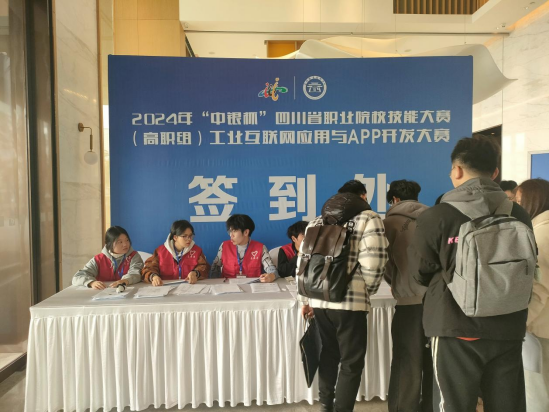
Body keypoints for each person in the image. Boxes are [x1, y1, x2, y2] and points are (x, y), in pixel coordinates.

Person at [412, 136, 533, 412]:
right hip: (509, 326)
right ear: (495, 172)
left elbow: (420, 271)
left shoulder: (437, 216)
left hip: (455, 325)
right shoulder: (519, 214)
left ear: (457, 170)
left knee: (453, 405)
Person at [298, 183, 389, 412]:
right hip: (350, 302)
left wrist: (305, 300)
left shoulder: (317, 221)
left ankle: (325, 406)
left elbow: (303, 263)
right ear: (363, 196)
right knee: (351, 361)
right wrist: (367, 290)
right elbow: (374, 260)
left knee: (328, 353)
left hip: (319, 300)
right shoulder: (369, 218)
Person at [383, 180, 432, 412]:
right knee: (433, 359)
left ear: (393, 199)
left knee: (407, 359)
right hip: (437, 300)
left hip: (409, 300)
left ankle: (403, 408)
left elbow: (385, 262)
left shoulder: (388, 223)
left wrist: (395, 281)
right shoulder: (434, 217)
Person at [515, 179, 549, 412]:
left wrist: (522, 322)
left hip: (541, 328)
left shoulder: (540, 235)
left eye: (519, 201)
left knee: (538, 394)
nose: (516, 206)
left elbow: (539, 287)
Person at [210, 214, 278, 282]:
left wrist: (272, 276)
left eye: (234, 231)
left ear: (246, 232)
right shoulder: (224, 246)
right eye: (230, 231)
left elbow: (271, 269)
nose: (231, 235)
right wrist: (215, 283)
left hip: (253, 285)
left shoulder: (260, 248)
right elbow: (215, 268)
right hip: (228, 286)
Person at [141, 220, 210, 286]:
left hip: (189, 287)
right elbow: (148, 269)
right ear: (175, 237)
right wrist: (154, 277)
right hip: (165, 288)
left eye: (190, 236)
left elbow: (205, 268)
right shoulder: (160, 251)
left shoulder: (197, 251)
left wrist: (195, 273)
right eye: (184, 236)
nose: (189, 239)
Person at [72, 226, 143, 289]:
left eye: (127, 240)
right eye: (120, 242)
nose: (125, 244)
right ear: (109, 244)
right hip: (102, 293)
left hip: (127, 291)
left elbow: (136, 273)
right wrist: (91, 282)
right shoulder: (99, 259)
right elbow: (78, 277)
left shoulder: (134, 256)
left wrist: (126, 280)